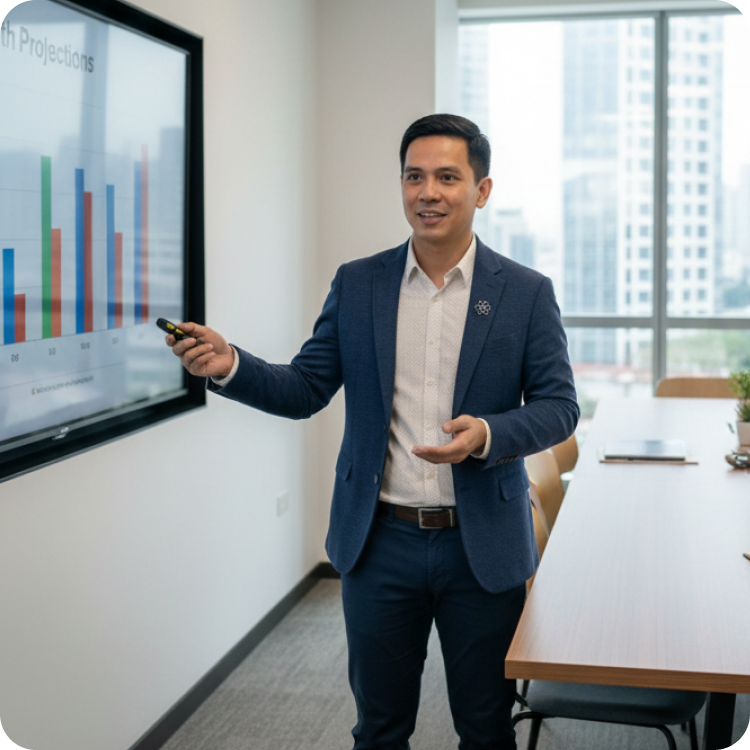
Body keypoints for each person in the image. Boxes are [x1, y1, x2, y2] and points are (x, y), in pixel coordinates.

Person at [166, 114, 579, 750]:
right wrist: (232, 367)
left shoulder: (525, 293)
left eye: (447, 177)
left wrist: (489, 434)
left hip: (484, 549)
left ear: (483, 190)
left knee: (486, 725)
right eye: (415, 177)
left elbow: (559, 407)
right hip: (379, 542)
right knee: (380, 729)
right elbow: (306, 388)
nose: (428, 192)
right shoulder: (359, 284)